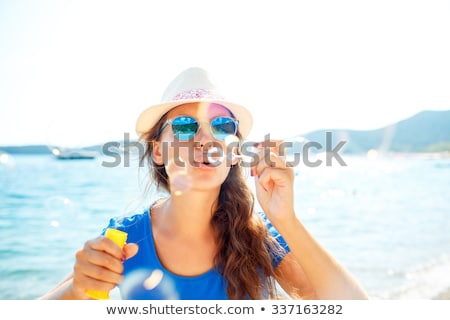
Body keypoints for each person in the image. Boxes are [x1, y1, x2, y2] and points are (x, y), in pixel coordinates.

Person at [39, 67, 368, 300]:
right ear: (157, 150)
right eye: (184, 125)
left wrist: (287, 220)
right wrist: (77, 290)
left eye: (222, 125)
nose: (205, 139)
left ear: (235, 152)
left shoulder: (261, 237)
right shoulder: (124, 238)